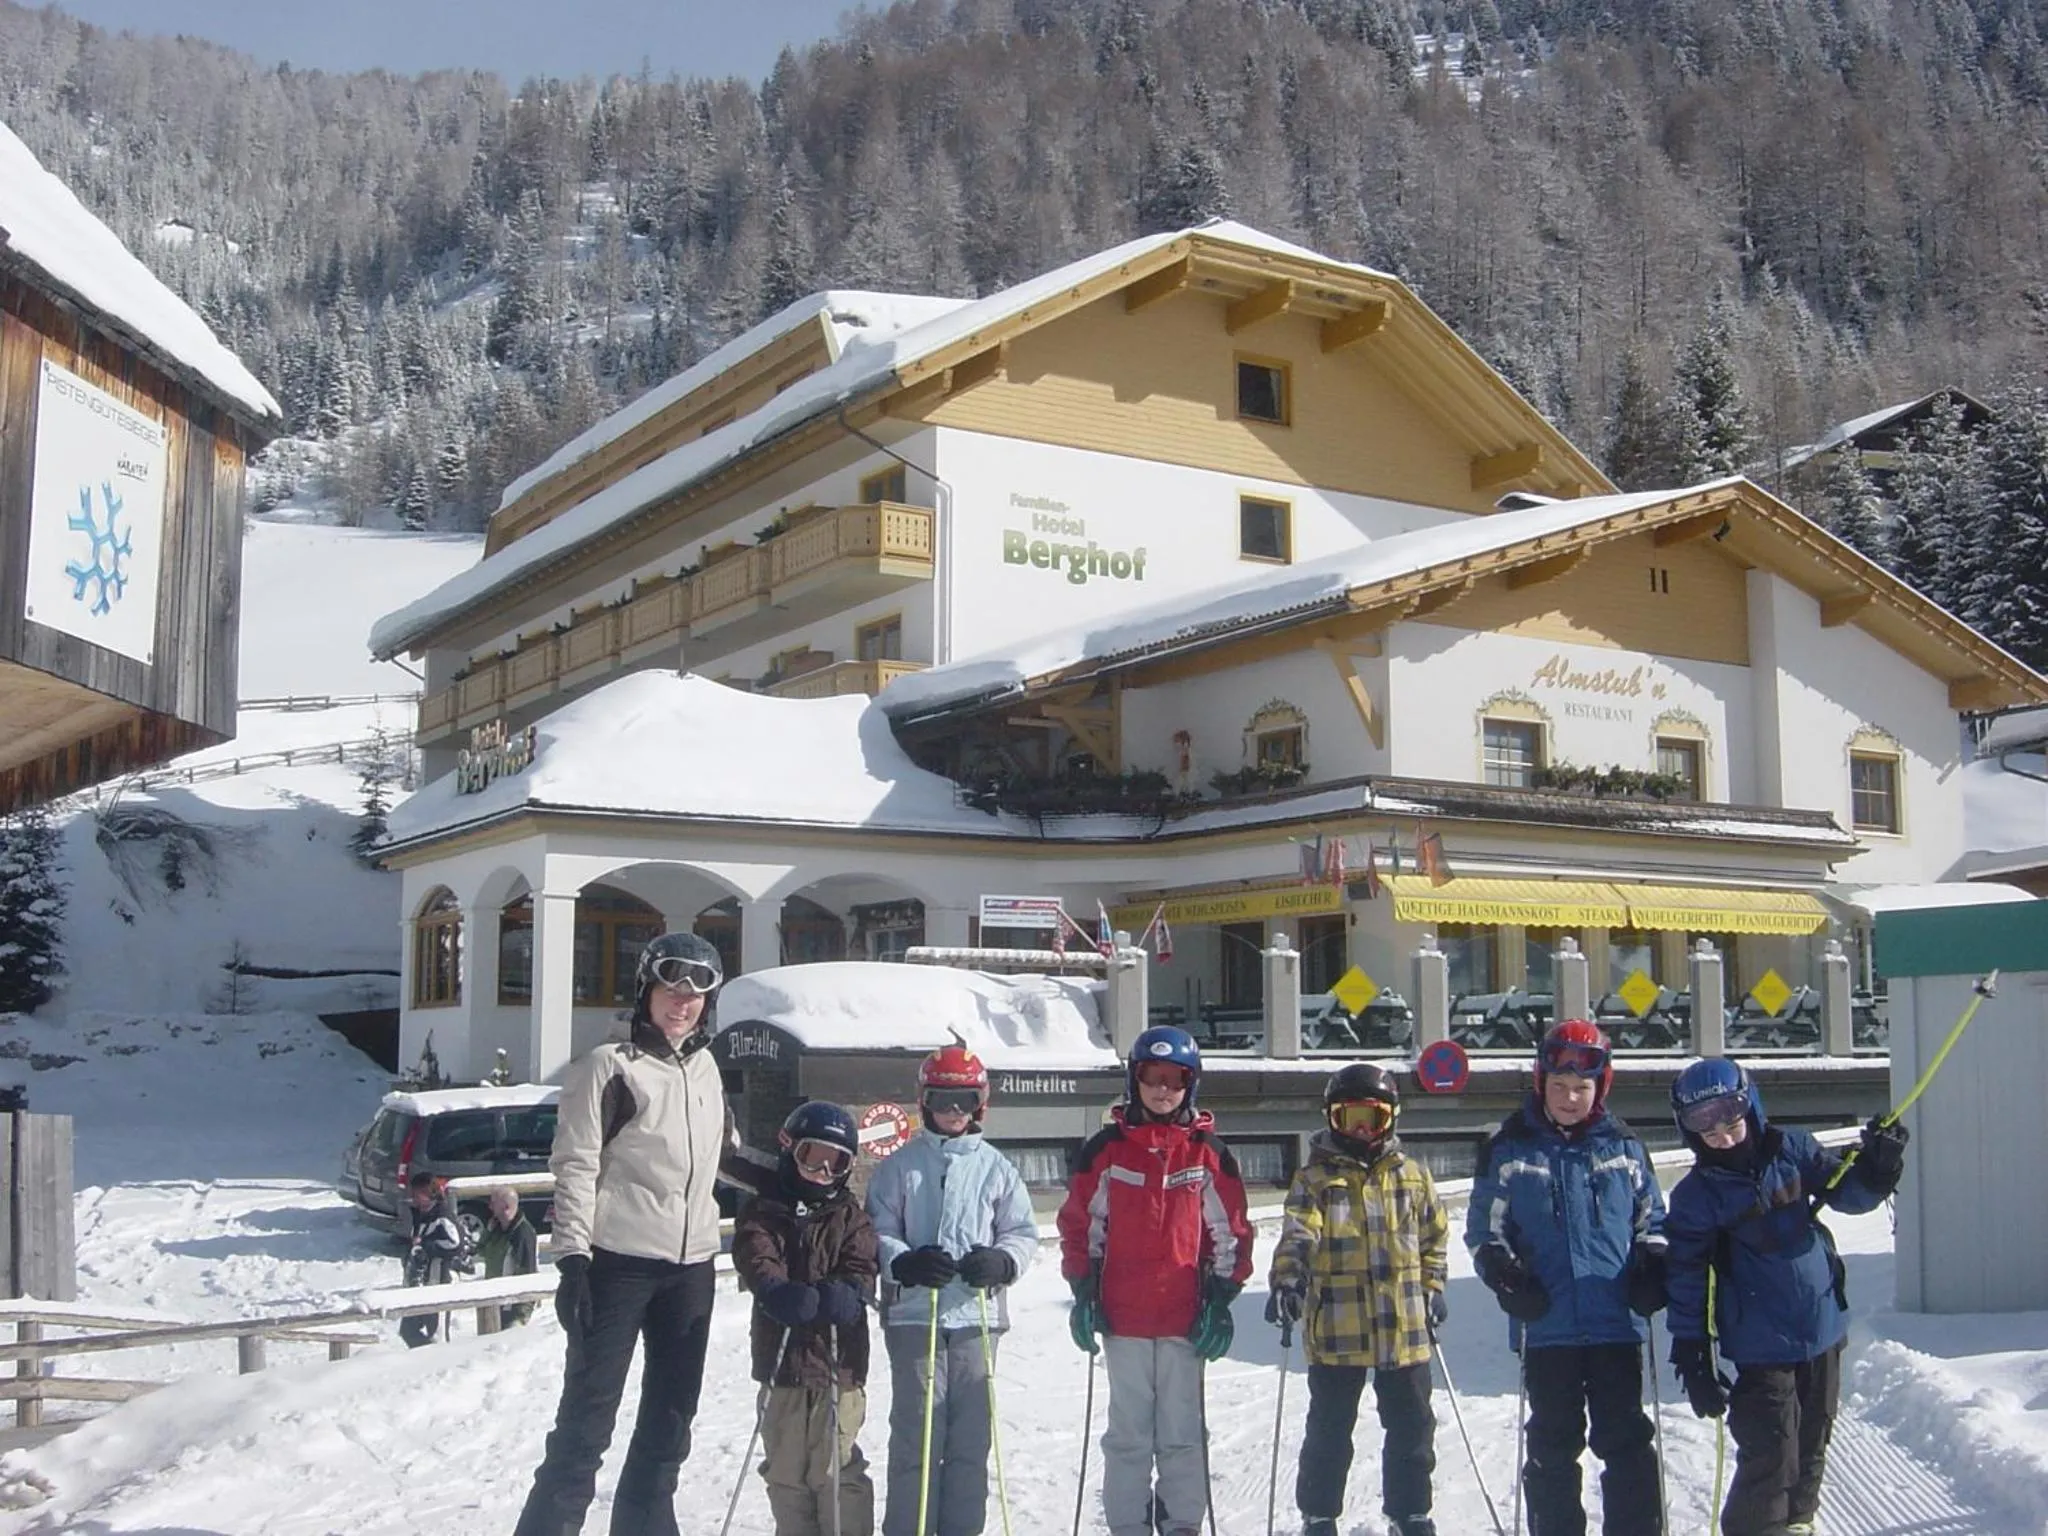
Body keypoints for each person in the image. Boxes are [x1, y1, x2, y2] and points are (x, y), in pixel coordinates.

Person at [512, 930, 756, 1536]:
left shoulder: (704, 1067)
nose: (683, 1003)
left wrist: (793, 1185)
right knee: (585, 1427)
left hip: (692, 1267)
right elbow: (575, 1163)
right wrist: (572, 1259)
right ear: (646, 989)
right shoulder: (608, 1067)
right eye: (671, 989)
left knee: (670, 1423)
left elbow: (723, 1154)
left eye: (697, 994)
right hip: (616, 1263)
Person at [1664, 1058, 1910, 1536]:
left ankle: (1799, 1522)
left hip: (1819, 1323)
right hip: (1760, 1343)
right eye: (1703, 1126)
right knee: (1771, 1450)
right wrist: (1692, 1350)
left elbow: (1849, 1194)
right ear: (1687, 1129)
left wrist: (1880, 1166)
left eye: (1730, 1119)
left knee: (1813, 1437)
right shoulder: (1697, 1196)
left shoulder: (1792, 1149)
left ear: (1750, 1106)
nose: (1722, 1135)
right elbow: (1687, 1277)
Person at [1467, 1020, 1668, 1536]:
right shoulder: (1511, 1147)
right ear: (1541, 1083)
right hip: (1547, 1324)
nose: (1570, 1098)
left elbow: (1654, 1221)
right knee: (1554, 1447)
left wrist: (1653, 1265)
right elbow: (1484, 1231)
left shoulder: (1623, 1146)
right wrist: (1506, 1276)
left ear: (1601, 1087)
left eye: (1582, 1087)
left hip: (1614, 1325)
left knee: (1625, 1442)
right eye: (1559, 1086)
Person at [1058, 1026, 1253, 1536]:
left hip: (1184, 1318)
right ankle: (1127, 1524)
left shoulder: (1207, 1153)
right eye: (1152, 1077)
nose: (1162, 1090)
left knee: (1183, 1430)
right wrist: (1084, 1292)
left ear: (1191, 1085)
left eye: (1175, 1079)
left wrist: (1221, 1298)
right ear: (1134, 1079)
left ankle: (1182, 1523)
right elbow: (1081, 1226)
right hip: (1123, 1317)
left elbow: (1231, 1233)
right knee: (1128, 1433)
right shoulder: (1107, 1150)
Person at [1267, 1062, 1447, 1536]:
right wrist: (1289, 1277)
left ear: (1393, 1118)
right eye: (1351, 1118)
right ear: (1332, 1119)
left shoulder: (1412, 1177)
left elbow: (1434, 1238)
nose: (1363, 1129)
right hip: (1337, 1328)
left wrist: (1433, 1288)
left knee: (1412, 1429)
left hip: (1403, 1327)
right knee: (1329, 1431)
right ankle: (1319, 1514)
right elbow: (1298, 1232)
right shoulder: (1316, 1179)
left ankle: (1410, 1512)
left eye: (1374, 1117)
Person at [865, 1044, 1038, 1536]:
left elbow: (1021, 1231)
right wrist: (904, 1261)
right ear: (925, 1101)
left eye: (963, 1102)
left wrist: (1003, 1261)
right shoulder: (900, 1166)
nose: (953, 1112)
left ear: (980, 1105)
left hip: (974, 1320)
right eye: (943, 1100)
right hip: (915, 1317)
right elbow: (877, 1229)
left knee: (969, 1440)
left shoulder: (996, 1167)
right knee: (917, 1437)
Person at [733, 1100, 880, 1536]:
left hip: (839, 1369)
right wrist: (774, 1289)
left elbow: (863, 1262)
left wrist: (851, 1291)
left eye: (836, 1163)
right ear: (789, 1149)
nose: (821, 1172)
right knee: (785, 1473)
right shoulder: (764, 1210)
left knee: (836, 1471)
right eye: (812, 1157)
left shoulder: (850, 1217)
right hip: (783, 1368)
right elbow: (755, 1253)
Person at [399, 1170, 473, 1348]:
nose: (415, 1198)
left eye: (419, 1194)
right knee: (408, 1329)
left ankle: (438, 1363)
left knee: (437, 1331)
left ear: (429, 1193)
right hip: (420, 1282)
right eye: (414, 1194)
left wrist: (425, 1245)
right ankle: (424, 1358)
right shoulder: (419, 1215)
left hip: (440, 1278)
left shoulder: (442, 1216)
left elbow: (456, 1244)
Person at [479, 1185, 541, 1329]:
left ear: (506, 1207)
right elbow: (480, 1251)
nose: (490, 1206)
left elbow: (529, 1273)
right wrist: (487, 1231)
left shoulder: (523, 1234)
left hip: (512, 1307)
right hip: (494, 1302)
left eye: (493, 1203)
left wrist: (521, 1316)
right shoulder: (496, 1227)